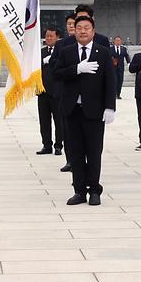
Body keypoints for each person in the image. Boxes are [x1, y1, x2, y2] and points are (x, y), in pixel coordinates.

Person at [52, 13, 117, 205]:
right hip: (72, 110)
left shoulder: (103, 52)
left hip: (94, 111)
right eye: (79, 28)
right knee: (75, 152)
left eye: (86, 28)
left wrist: (110, 107)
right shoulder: (67, 51)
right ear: (73, 30)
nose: (82, 31)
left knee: (94, 152)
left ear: (93, 31)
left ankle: (94, 190)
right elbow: (56, 74)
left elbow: (110, 81)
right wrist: (76, 69)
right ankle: (79, 191)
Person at [37, 27, 64, 155]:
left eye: (51, 36)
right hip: (42, 92)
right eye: (47, 36)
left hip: (57, 93)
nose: (48, 38)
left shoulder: (62, 52)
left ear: (57, 37)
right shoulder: (40, 52)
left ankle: (58, 145)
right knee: (44, 121)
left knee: (59, 121)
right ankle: (46, 145)